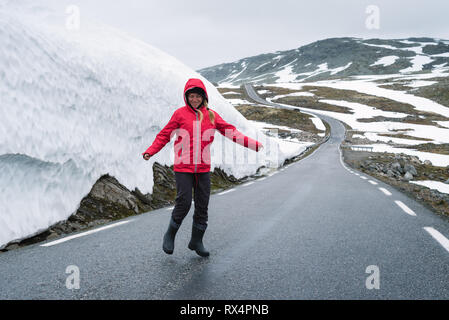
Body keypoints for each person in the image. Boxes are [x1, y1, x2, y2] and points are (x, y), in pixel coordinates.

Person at [142, 78, 263, 257]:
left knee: (202, 205)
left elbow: (231, 132)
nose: (194, 99)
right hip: (183, 167)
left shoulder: (211, 115)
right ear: (186, 97)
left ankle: (196, 241)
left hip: (203, 168)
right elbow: (164, 135)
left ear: (203, 97)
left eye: (198, 96)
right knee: (183, 202)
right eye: (191, 96)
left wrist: (252, 144)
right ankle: (170, 234)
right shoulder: (179, 114)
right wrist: (150, 151)